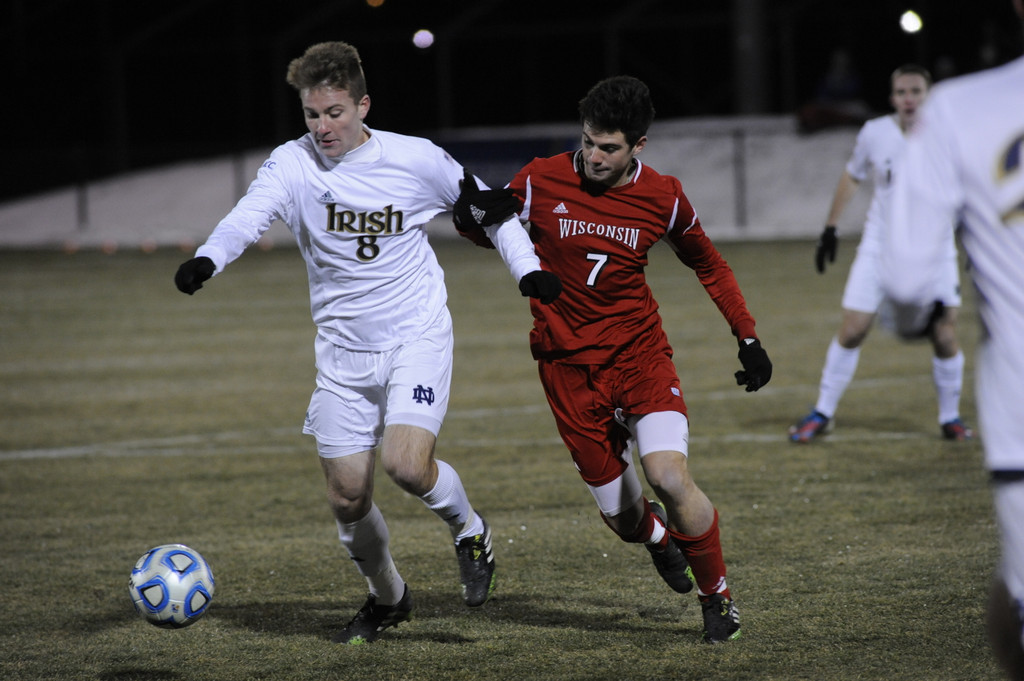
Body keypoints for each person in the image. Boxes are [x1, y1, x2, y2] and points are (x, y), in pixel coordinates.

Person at [173, 41, 555, 645]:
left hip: (415, 337)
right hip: (342, 354)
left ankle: (469, 529)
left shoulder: (415, 158)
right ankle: (389, 597)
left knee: (405, 464)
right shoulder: (291, 164)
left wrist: (527, 271)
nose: (322, 127)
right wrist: (208, 258)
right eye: (311, 115)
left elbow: (491, 209)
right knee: (348, 497)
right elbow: (250, 214)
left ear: (363, 106)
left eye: (335, 113)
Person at [454, 75, 773, 643]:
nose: (594, 158)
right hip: (566, 369)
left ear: (638, 147)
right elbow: (491, 233)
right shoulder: (540, 178)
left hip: (638, 356)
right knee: (625, 521)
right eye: (587, 142)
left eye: (609, 148)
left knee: (667, 475)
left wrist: (746, 336)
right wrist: (475, 216)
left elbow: (709, 264)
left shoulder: (665, 196)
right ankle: (657, 540)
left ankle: (717, 598)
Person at [880, 3, 1024, 676]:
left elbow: (908, 284)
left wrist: (912, 323)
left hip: (1020, 410)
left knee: (1015, 608)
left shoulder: (962, 108)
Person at [789, 64, 973, 444]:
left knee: (944, 333)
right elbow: (853, 174)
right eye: (902, 92)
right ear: (892, 98)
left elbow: (968, 189)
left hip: (934, 248)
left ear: (928, 96)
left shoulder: (947, 135)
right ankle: (822, 412)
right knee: (853, 328)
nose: (909, 99)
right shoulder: (875, 133)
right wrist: (830, 228)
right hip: (879, 246)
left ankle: (950, 417)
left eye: (916, 92)